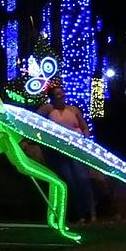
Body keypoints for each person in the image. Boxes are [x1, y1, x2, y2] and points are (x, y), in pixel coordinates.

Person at [46, 86, 95, 224]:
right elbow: (35, 121)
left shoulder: (73, 109)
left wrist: (86, 140)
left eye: (61, 93)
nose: (61, 95)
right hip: (60, 150)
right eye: (57, 94)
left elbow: (84, 127)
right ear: (52, 97)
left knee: (83, 178)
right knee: (69, 181)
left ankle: (91, 212)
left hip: (77, 148)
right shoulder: (49, 109)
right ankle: (78, 214)